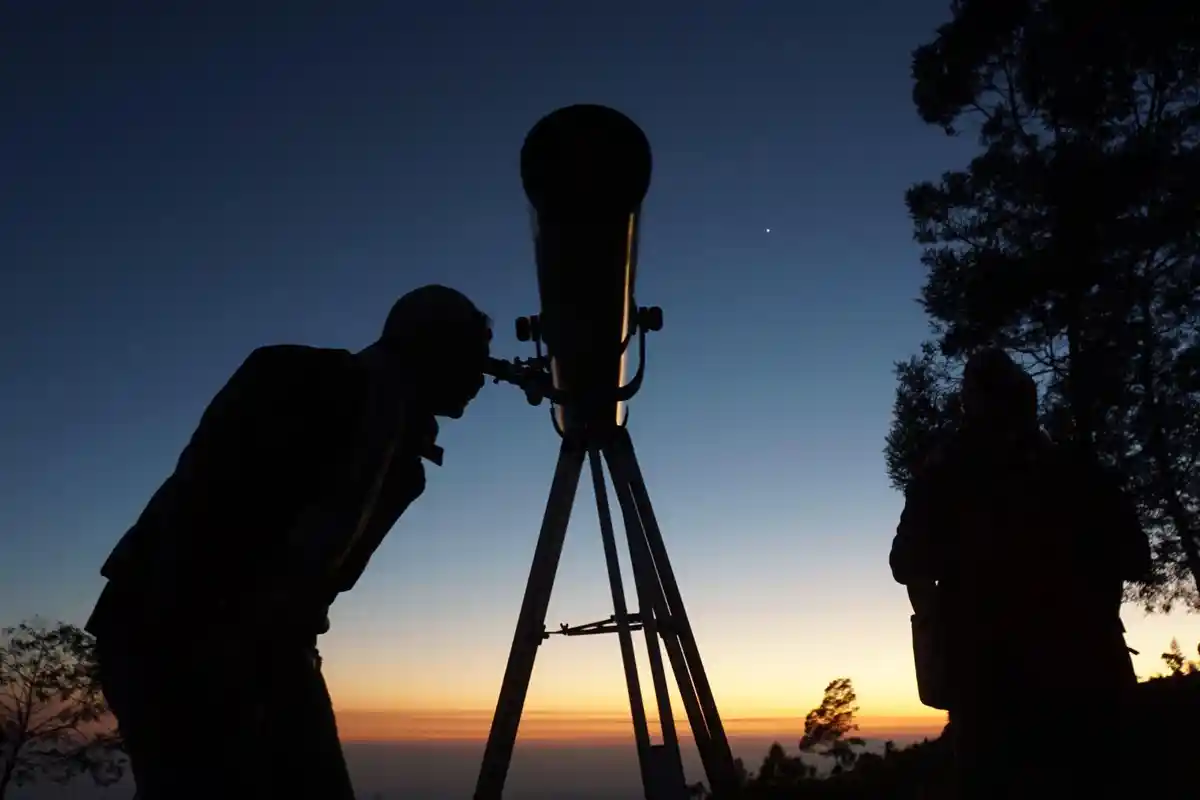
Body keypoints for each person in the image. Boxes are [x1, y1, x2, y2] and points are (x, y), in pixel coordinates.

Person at [84, 285, 493, 799]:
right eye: (473, 361)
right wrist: (227, 645)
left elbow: (325, 573)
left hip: (261, 644)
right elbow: (215, 506)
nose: (481, 380)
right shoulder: (297, 378)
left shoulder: (402, 462)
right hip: (176, 629)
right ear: (433, 347)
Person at [890, 348, 1151, 799]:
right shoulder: (1080, 471)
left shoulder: (942, 480)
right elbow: (1136, 559)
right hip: (1092, 684)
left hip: (992, 698)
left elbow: (905, 564)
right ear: (1028, 404)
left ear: (971, 405)